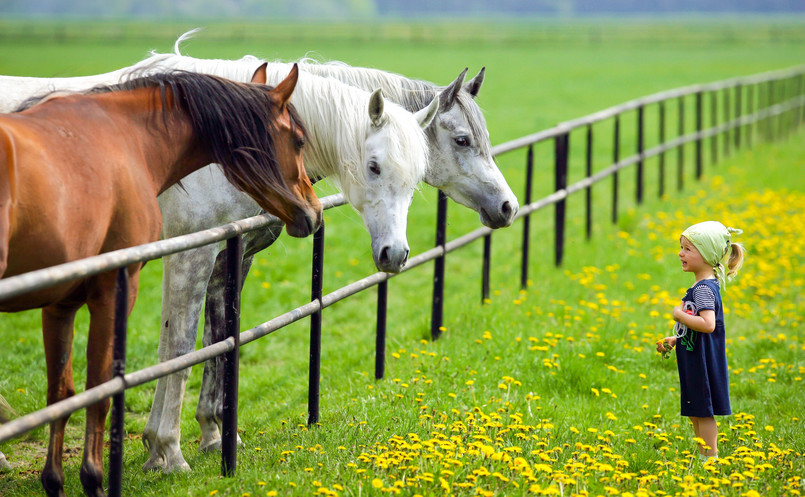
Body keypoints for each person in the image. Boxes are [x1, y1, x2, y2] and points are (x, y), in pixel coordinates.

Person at [656, 221, 746, 463]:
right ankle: (703, 455)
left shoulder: (704, 289)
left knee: (703, 412)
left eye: (687, 249)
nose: (680, 253)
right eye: (681, 247)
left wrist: (678, 315)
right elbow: (696, 324)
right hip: (694, 355)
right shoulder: (701, 285)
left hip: (702, 362)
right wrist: (675, 338)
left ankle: (711, 459)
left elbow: (708, 324)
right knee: (695, 410)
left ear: (706, 255)